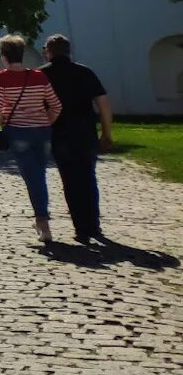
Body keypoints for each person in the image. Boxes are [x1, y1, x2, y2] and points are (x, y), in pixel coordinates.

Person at [41, 33, 114, 245]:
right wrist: (107, 132)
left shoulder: (41, 75)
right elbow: (103, 104)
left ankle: (80, 227)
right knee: (88, 178)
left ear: (48, 52)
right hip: (85, 132)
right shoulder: (84, 72)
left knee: (70, 180)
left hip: (59, 133)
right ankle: (93, 225)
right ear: (69, 51)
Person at [0, 34, 63, 245]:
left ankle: (43, 223)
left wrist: (3, 122)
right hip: (42, 132)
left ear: (4, 56)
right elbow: (56, 105)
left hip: (19, 132)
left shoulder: (0, 77)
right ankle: (41, 219)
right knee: (38, 175)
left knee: (33, 178)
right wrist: (46, 121)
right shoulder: (38, 76)